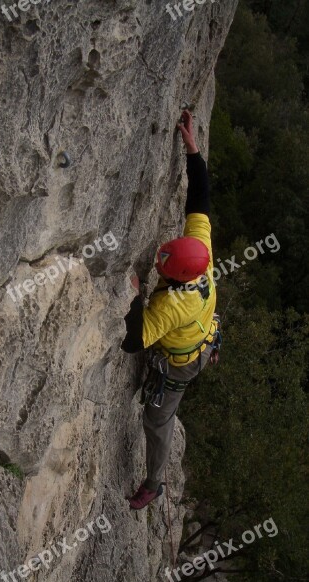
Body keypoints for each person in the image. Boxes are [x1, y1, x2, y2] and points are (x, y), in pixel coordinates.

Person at [121, 110, 220, 510]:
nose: (159, 256)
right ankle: (210, 349)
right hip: (203, 330)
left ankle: (154, 482)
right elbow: (201, 197)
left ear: (174, 279)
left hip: (179, 363)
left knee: (156, 420)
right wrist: (192, 150)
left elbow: (132, 341)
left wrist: (133, 296)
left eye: (163, 262)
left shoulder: (169, 305)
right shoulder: (202, 254)